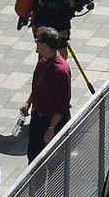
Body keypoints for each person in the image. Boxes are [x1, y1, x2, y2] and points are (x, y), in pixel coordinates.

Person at [21, 27, 71, 162]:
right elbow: (38, 86)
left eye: (37, 41)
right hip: (38, 118)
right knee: (33, 157)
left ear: (45, 45)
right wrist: (28, 102)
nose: (35, 43)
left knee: (53, 162)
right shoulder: (43, 61)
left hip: (51, 121)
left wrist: (51, 128)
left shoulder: (60, 70)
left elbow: (62, 105)